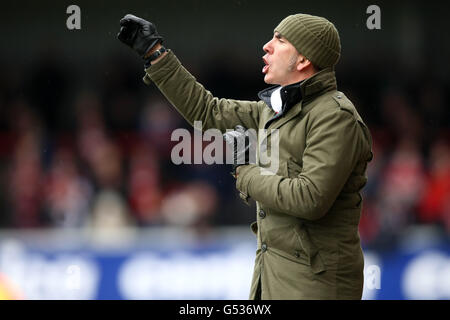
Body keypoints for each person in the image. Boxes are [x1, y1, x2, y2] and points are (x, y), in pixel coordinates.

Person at [118, 13, 373, 300]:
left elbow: (310, 198)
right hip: (273, 282)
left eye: (280, 40)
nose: (267, 46)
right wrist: (156, 54)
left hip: (315, 288)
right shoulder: (274, 110)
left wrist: (245, 172)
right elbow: (208, 111)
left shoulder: (336, 117)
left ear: (303, 60)